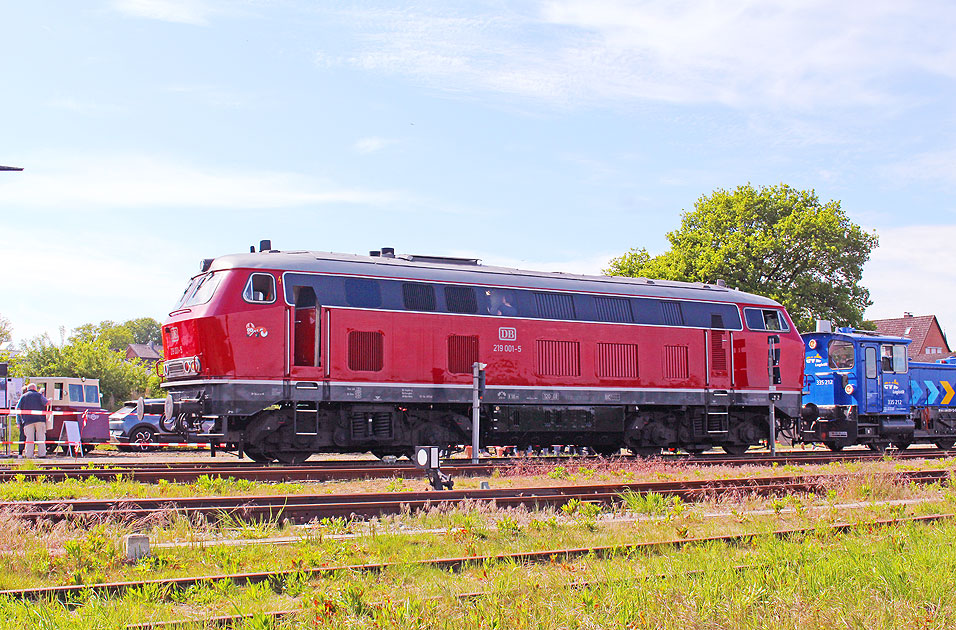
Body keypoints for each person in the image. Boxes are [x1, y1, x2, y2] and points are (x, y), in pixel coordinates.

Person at [15, 383, 48, 458]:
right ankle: (42, 454)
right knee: (41, 437)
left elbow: (18, 408)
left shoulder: (23, 396)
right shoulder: (39, 395)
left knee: (29, 438)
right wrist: (50, 400)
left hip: (28, 421)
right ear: (35, 388)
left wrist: (22, 416)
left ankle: (29, 455)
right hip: (40, 420)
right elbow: (46, 403)